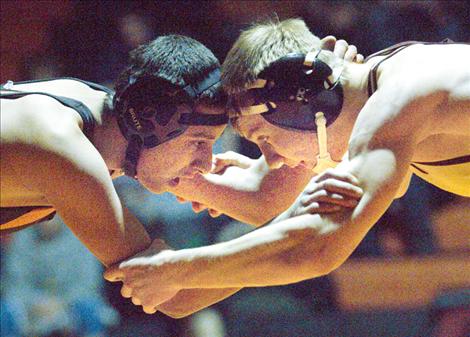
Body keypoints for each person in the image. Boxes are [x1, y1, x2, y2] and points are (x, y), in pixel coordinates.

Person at [105, 18, 469, 313]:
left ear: (301, 101)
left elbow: (317, 250)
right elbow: (264, 198)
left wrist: (172, 269)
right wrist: (165, 168)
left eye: (263, 137)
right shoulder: (356, 99)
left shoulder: (402, 99)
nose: (272, 158)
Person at [1, 34, 234, 316]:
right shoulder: (65, 149)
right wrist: (278, 242)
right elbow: (172, 296)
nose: (205, 163)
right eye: (199, 142)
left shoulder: (98, 112)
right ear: (149, 120)